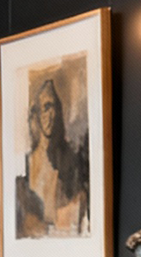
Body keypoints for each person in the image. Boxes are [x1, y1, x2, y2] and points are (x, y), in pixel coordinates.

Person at [16, 77, 90, 237]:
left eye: (54, 108)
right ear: (36, 114)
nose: (51, 114)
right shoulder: (25, 167)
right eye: (46, 107)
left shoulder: (70, 162)